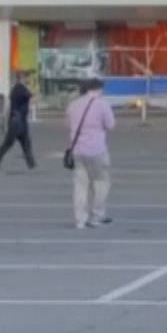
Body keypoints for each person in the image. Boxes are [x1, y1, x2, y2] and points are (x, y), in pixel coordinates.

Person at [65, 77, 116, 229]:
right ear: (99, 89)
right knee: (100, 183)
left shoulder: (74, 104)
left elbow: (67, 125)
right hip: (96, 150)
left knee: (80, 186)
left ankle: (80, 219)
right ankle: (97, 216)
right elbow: (111, 125)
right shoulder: (103, 104)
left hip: (77, 150)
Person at [0, 76, 36, 171]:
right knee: (8, 143)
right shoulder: (19, 88)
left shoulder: (16, 89)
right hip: (17, 121)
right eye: (26, 78)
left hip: (20, 120)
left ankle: (31, 164)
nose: (27, 80)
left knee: (26, 143)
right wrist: (31, 89)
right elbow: (30, 95)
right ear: (21, 79)